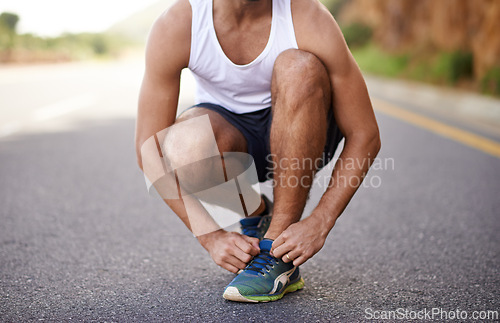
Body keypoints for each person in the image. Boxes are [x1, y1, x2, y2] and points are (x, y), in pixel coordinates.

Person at [135, 0, 380, 303]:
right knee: (182, 146)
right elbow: (150, 150)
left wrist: (319, 222)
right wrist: (211, 237)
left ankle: (277, 249)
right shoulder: (179, 24)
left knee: (298, 67)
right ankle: (257, 214)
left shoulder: (306, 16)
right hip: (236, 143)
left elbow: (365, 134)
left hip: (305, 135)